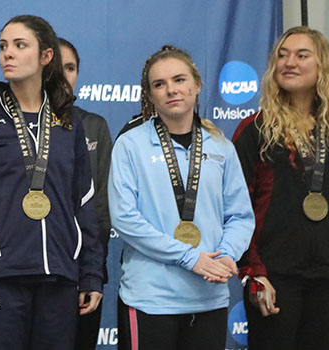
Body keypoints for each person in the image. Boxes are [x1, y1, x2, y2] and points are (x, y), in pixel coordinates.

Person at [0, 15, 103, 350]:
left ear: (46, 56)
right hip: (1, 275)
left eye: (19, 45)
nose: (7, 54)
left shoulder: (68, 121)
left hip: (60, 275)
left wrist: (91, 273)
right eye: (3, 47)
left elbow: (84, 201)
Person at [109, 45, 254, 350]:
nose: (171, 90)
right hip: (151, 298)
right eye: (159, 84)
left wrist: (226, 256)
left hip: (209, 297)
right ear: (149, 95)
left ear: (197, 85)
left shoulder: (220, 146)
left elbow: (240, 215)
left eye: (179, 80)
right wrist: (189, 257)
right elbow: (124, 218)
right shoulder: (131, 144)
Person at [232, 26, 329, 350]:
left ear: (322, 66)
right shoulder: (255, 129)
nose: (289, 62)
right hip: (273, 279)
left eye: (302, 55)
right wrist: (253, 271)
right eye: (282, 55)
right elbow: (235, 208)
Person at [56, 37, 113, 350]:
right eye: (57, 67)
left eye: (71, 68)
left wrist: (89, 272)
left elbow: (102, 208)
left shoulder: (94, 126)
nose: (64, 75)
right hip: (29, 274)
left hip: (82, 274)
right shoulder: (12, 125)